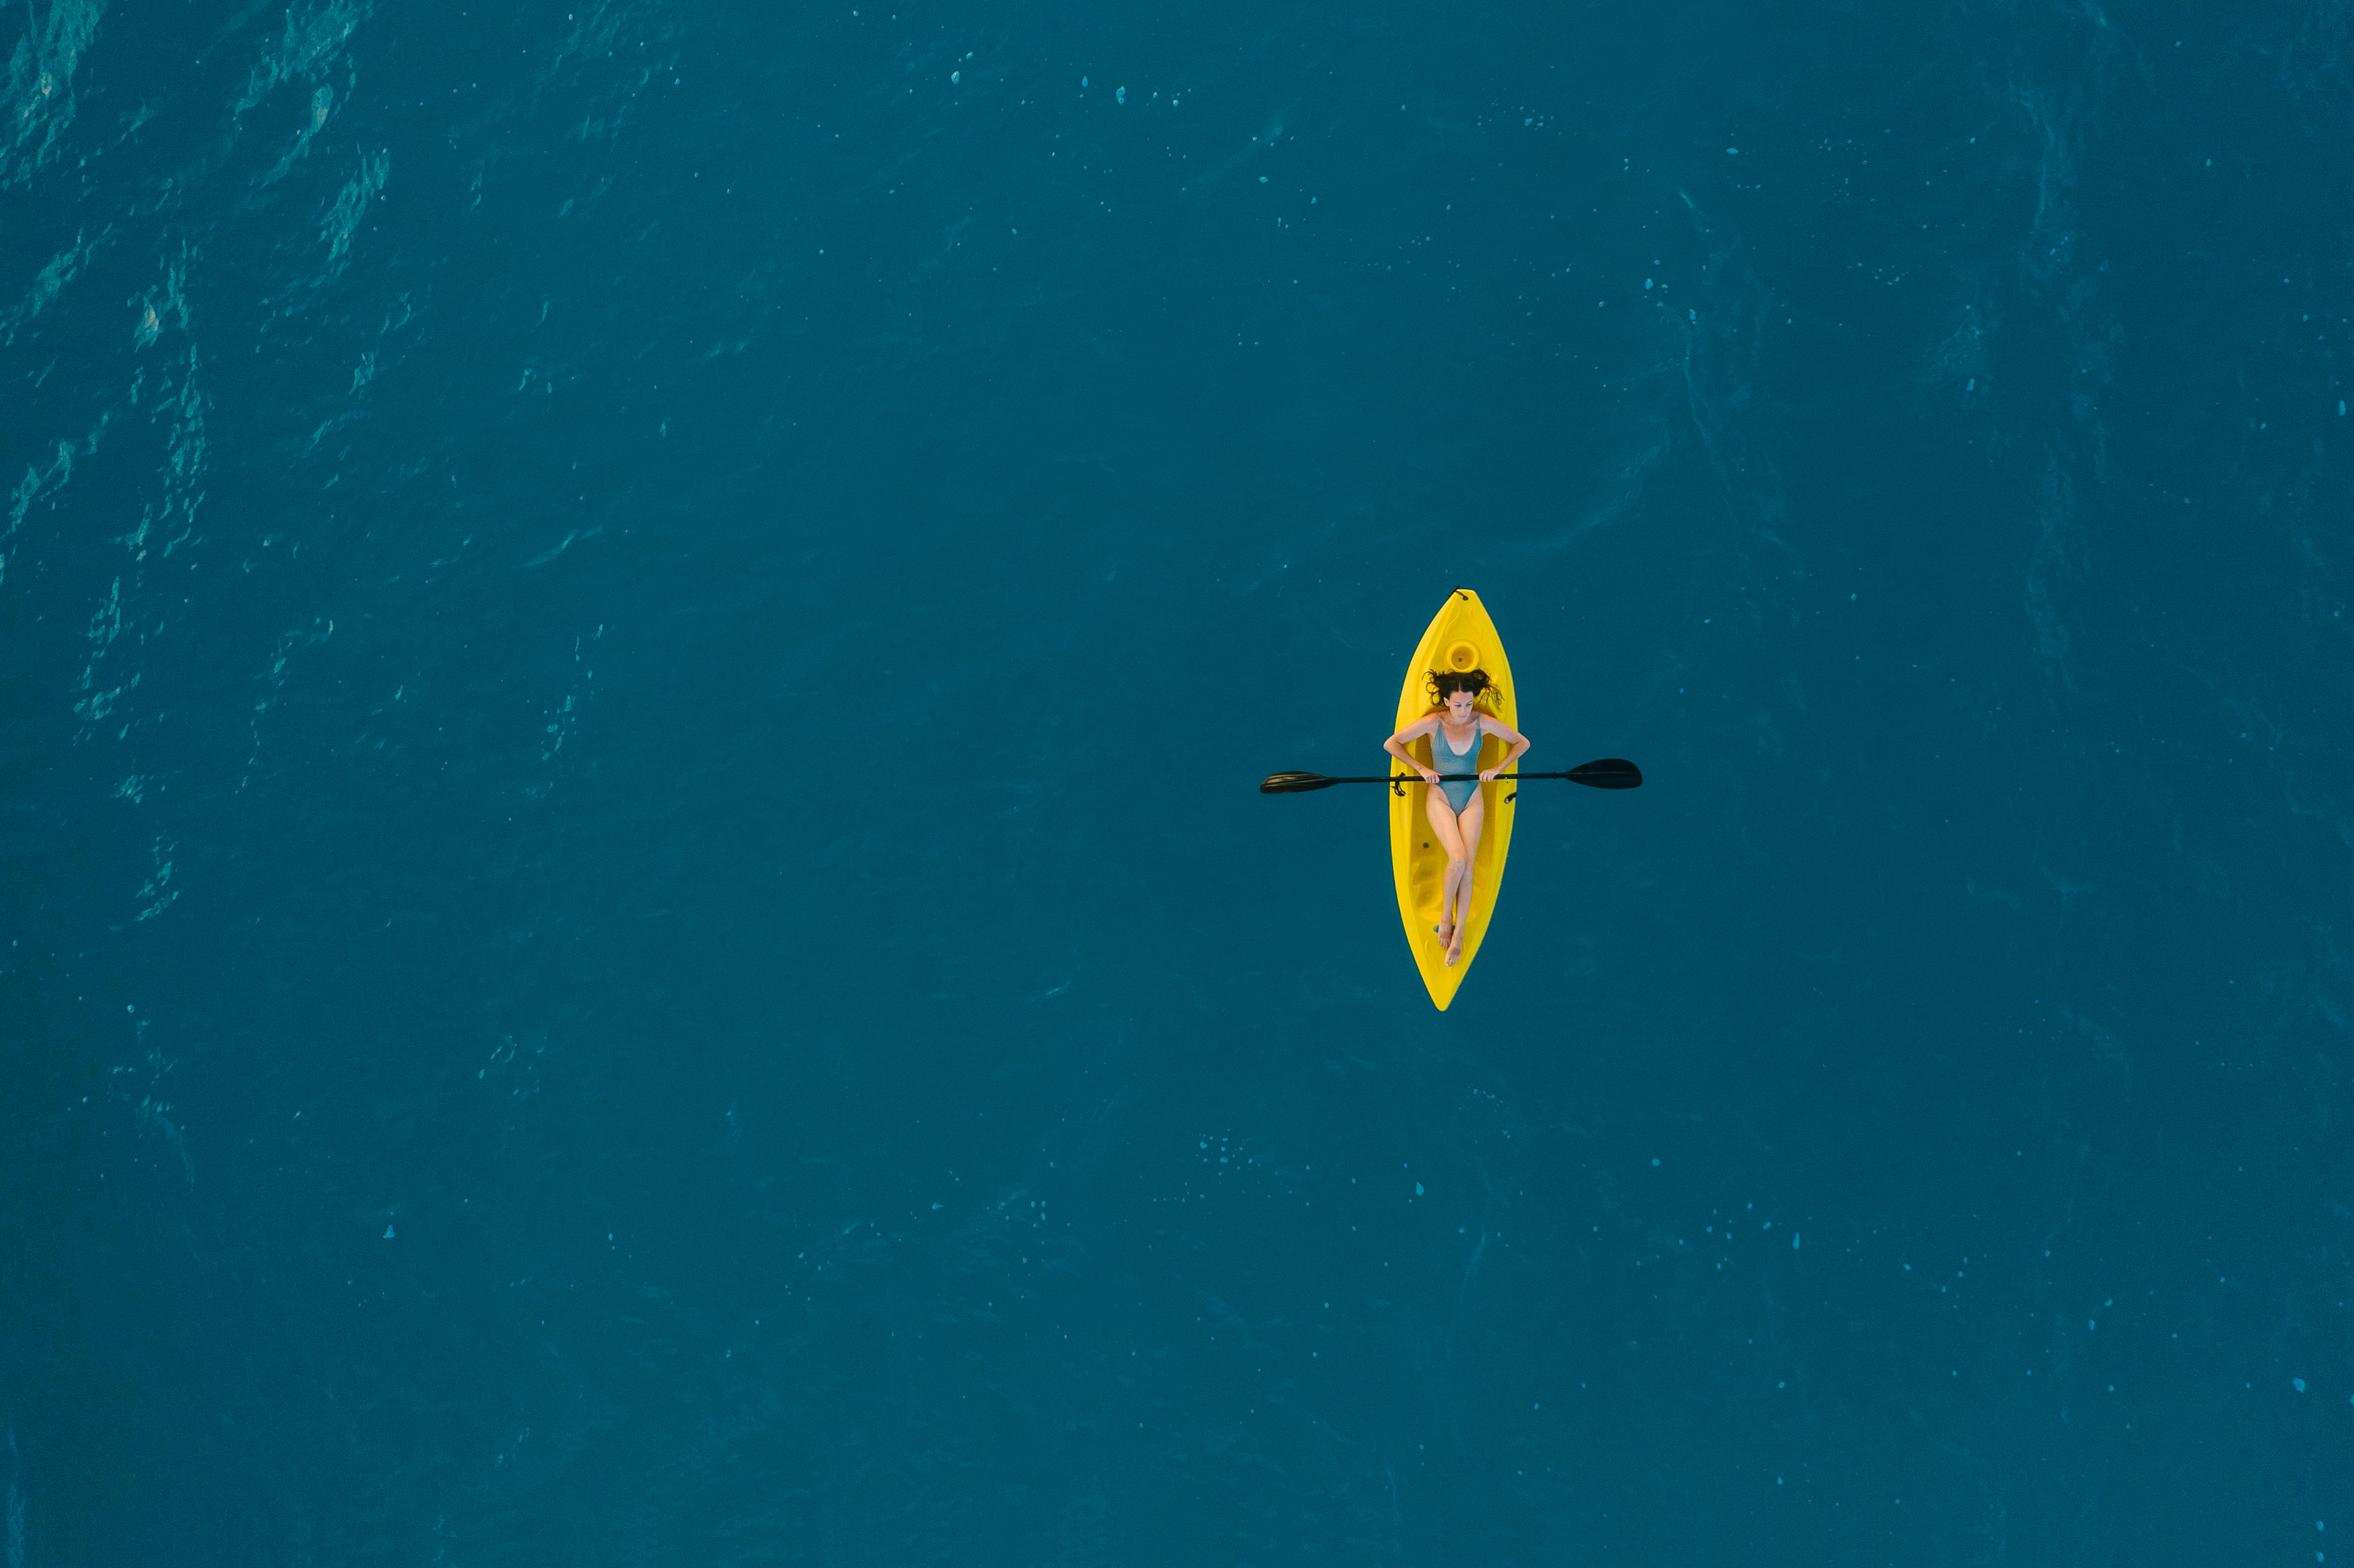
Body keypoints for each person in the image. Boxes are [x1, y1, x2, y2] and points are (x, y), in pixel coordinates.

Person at [1382, 669, 1530, 967]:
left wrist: (1498, 768)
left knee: (1469, 863)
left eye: (1469, 704)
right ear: (1447, 702)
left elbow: (1522, 744)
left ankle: (1460, 933)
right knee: (1459, 858)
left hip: (1472, 796)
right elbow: (1391, 744)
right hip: (1440, 796)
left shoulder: (1482, 723)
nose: (1464, 710)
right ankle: (1445, 916)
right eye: (1459, 704)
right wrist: (1421, 768)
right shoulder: (1434, 723)